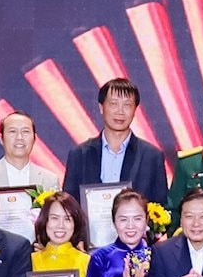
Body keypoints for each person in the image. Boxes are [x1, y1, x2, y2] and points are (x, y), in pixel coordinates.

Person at [64, 78, 170, 206]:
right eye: (113, 104)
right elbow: (68, 205)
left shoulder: (152, 156)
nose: (120, 111)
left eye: (127, 105)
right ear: (101, 107)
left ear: (135, 110)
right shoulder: (79, 155)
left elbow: (160, 207)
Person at [0, 110, 61, 191]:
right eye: (12, 131)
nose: (19, 137)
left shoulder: (50, 180)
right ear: (1, 139)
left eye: (25, 131)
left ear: (34, 138)